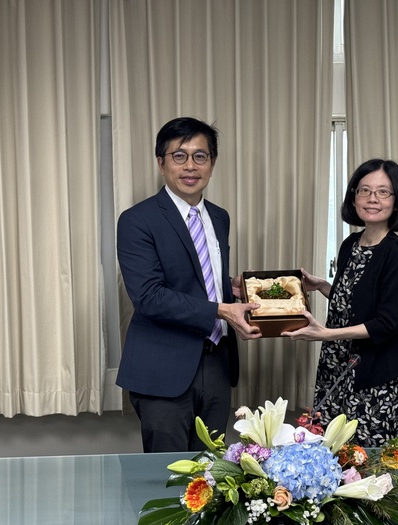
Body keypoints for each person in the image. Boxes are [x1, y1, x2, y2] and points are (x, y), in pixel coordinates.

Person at [116, 117, 261, 452]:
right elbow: (149, 296)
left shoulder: (219, 217)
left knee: (213, 476)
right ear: (161, 162)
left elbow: (195, 277)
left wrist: (231, 288)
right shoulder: (138, 220)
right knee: (167, 479)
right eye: (179, 156)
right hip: (163, 368)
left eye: (201, 156)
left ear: (212, 163)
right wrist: (222, 309)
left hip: (217, 364)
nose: (190, 166)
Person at [283, 158, 398, 447]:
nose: (372, 199)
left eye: (383, 192)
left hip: (378, 376)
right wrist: (322, 286)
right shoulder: (350, 245)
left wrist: (326, 334)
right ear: (353, 196)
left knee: (372, 468)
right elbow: (357, 303)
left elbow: (386, 323)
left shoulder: (397, 253)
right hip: (338, 365)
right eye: (364, 190)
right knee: (334, 458)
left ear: (397, 201)